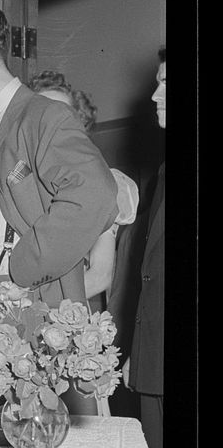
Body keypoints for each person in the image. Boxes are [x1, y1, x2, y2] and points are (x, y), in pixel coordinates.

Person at [0, 2, 119, 415]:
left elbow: (96, 192)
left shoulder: (41, 115)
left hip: (17, 301)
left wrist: (25, 266)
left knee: (27, 444)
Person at [28, 69, 139, 307]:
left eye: (63, 116)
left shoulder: (102, 184)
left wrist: (36, 305)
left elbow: (99, 277)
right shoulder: (16, 181)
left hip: (68, 313)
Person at [108, 50, 165, 448]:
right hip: (153, 363)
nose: (155, 95)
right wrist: (138, 354)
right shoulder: (164, 172)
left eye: (167, 85)